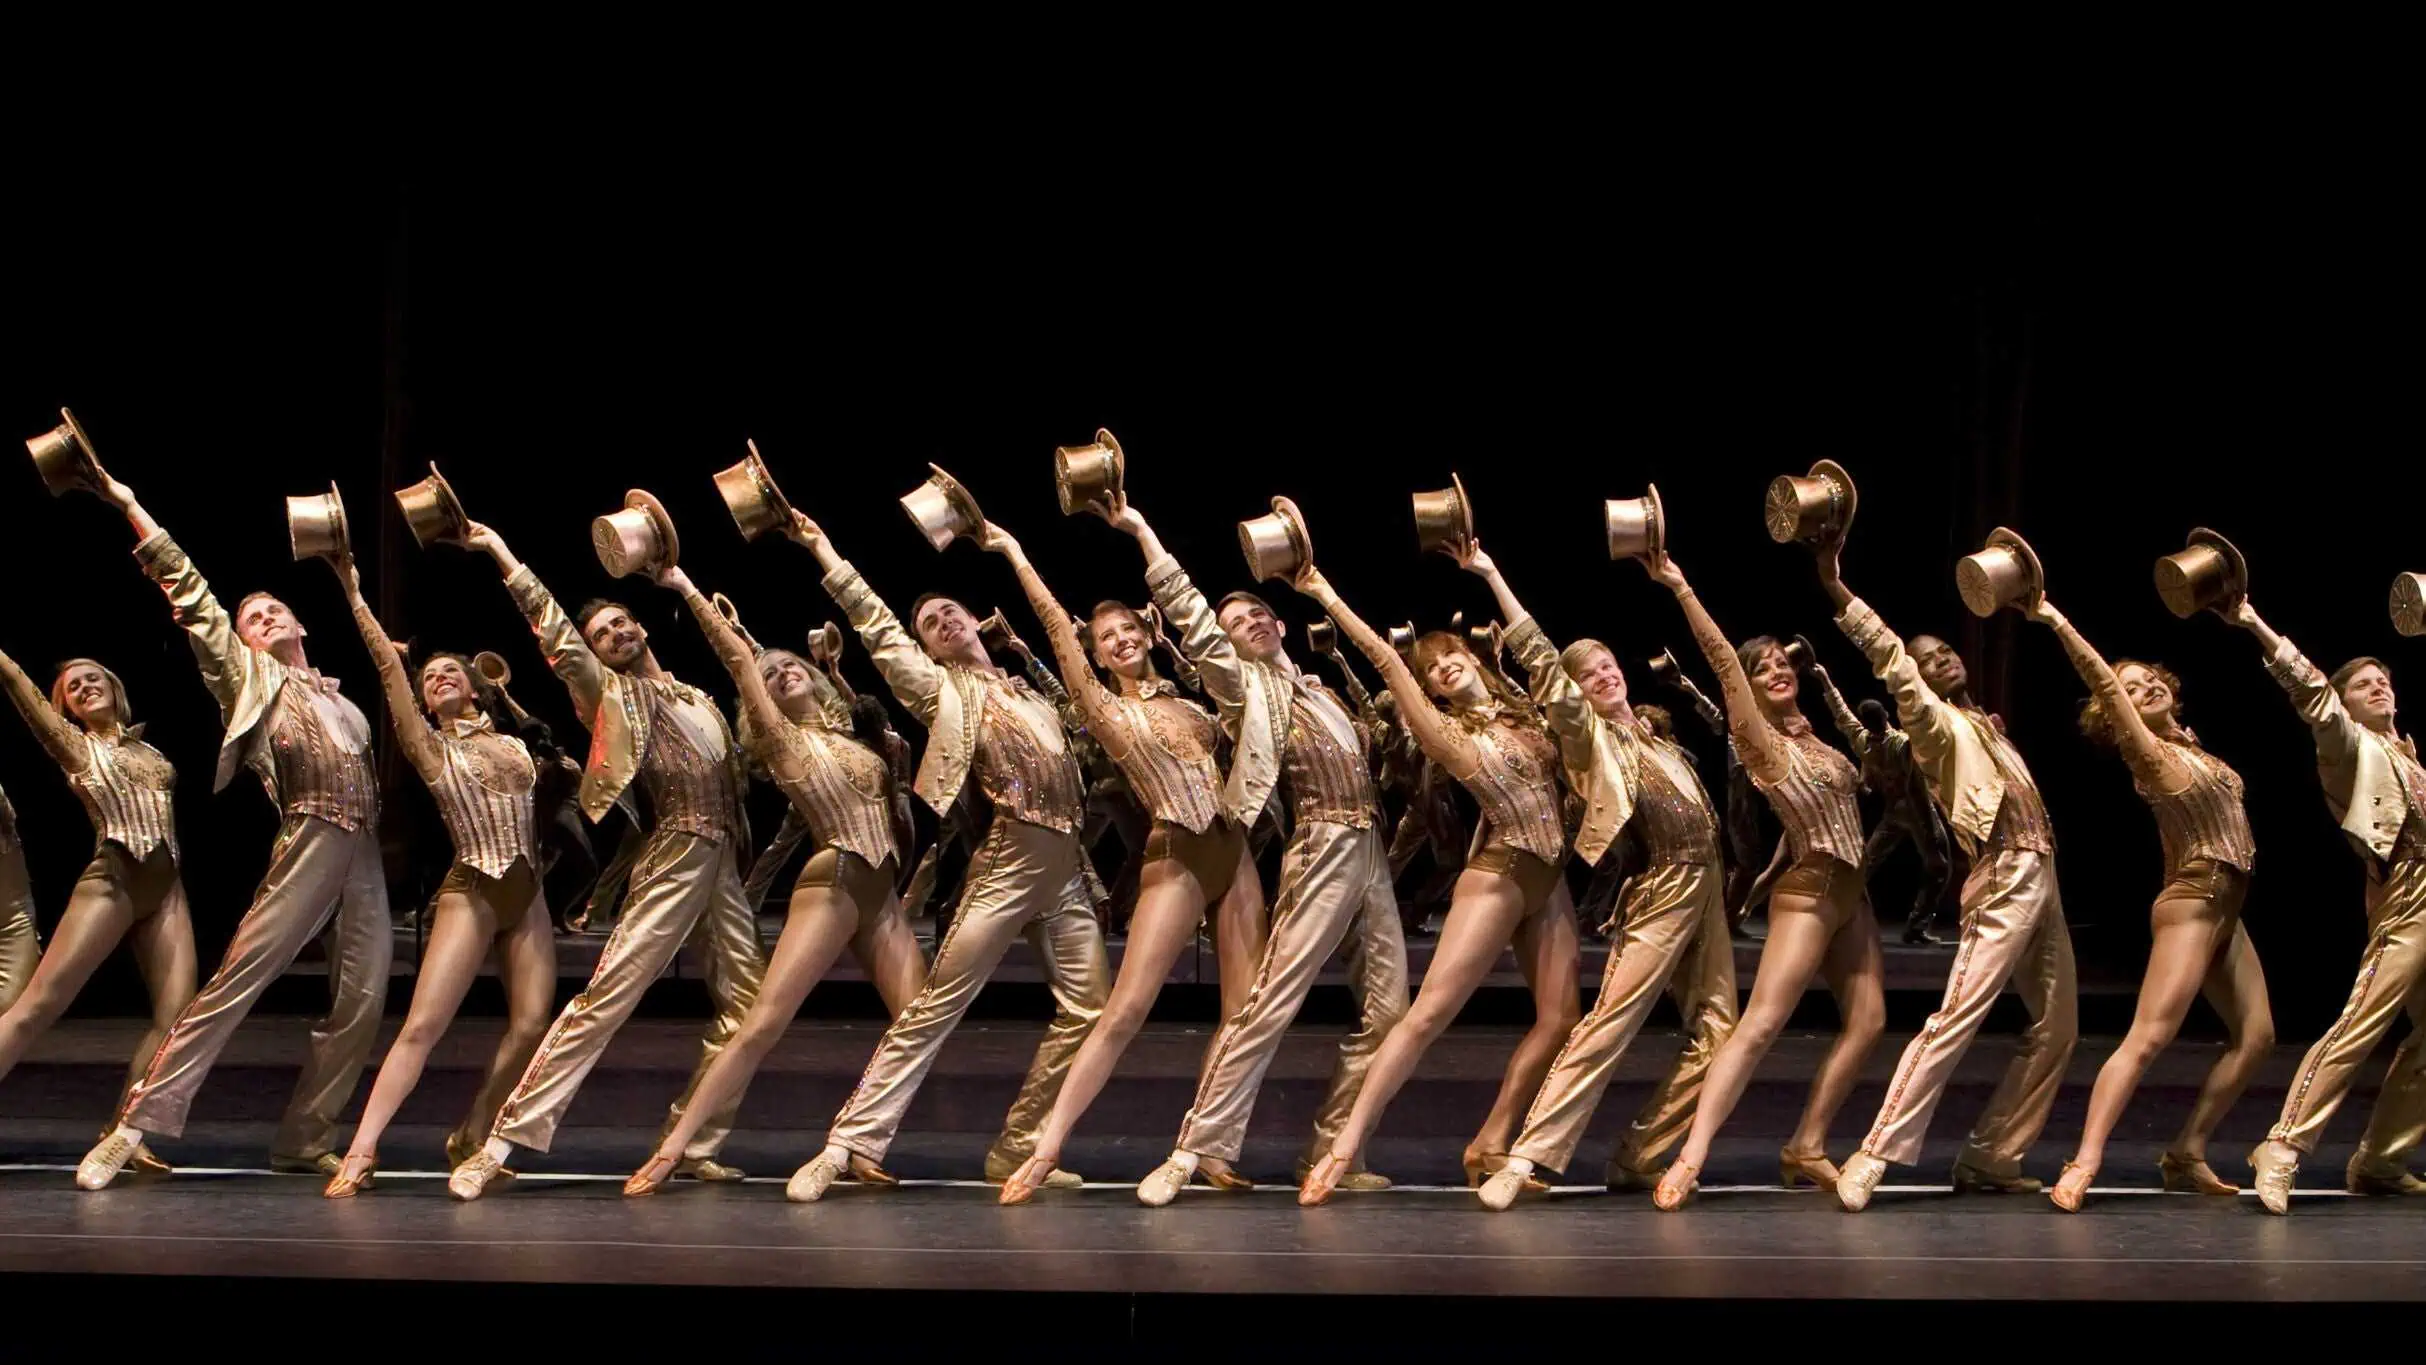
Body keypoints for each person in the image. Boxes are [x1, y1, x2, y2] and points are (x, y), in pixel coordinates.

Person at [77, 471, 392, 1190]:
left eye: (275, 609)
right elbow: (190, 593)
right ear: (241, 642)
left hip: (364, 852)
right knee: (236, 981)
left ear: (301, 625)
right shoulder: (248, 681)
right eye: (252, 617)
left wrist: (350, 584)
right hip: (309, 837)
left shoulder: (349, 706)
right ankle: (131, 1126)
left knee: (363, 999)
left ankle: (305, 1136)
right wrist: (131, 504)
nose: (264, 618)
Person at [782, 509, 1109, 1201]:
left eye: (949, 611)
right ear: (927, 650)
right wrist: (823, 549)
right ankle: (846, 1145)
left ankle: (1019, 1145)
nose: (943, 622)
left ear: (974, 620)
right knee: (936, 1005)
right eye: (930, 624)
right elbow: (878, 628)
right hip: (1012, 856)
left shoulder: (1027, 691)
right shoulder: (942, 691)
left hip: (1067, 869)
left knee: (1090, 1009)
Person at [446, 518, 765, 1199]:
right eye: (601, 635)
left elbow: (743, 680)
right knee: (607, 997)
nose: (615, 634)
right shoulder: (612, 697)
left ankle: (694, 1140)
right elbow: (557, 639)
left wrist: (681, 582)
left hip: (722, 864)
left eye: (620, 623)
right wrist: (503, 553)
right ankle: (498, 1143)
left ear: (641, 626)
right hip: (676, 851)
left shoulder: (698, 696)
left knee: (749, 1005)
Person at [984, 514, 1268, 1201]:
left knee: (1244, 1013)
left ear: (1146, 633)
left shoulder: (1193, 703)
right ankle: (1045, 1148)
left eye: (1128, 629)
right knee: (1125, 1009)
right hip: (1175, 853)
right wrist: (1015, 552)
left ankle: (1208, 1144)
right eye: (1106, 637)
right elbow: (1058, 629)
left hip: (1233, 853)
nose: (1120, 640)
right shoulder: (1105, 711)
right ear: (1099, 656)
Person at [623, 563, 928, 1195]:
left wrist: (835, 672)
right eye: (771, 675)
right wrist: (686, 587)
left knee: (918, 1021)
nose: (782, 672)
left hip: (882, 893)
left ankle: (855, 1142)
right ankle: (671, 1150)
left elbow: (882, 754)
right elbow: (741, 662)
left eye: (791, 665)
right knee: (764, 1022)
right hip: (834, 879)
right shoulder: (780, 738)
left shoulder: (855, 736)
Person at [1293, 537, 1580, 1206]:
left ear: (1473, 656)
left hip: (1550, 876)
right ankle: (1342, 1146)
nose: (1443, 668)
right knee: (1426, 1017)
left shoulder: (1524, 712)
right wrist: (1323, 592)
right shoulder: (1449, 735)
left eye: (1450, 657)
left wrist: (1489, 572)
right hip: (1500, 873)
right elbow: (1385, 658)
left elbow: (1538, 652)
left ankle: (1491, 1140)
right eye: (1432, 671)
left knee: (1562, 1018)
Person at [1459, 548, 1738, 1209]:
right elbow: (1543, 665)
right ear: (1577, 693)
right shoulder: (1593, 742)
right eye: (1588, 674)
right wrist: (1493, 575)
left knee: (1720, 1032)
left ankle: (1640, 1153)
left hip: (1708, 889)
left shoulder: (1659, 738)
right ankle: (1525, 1156)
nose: (1604, 675)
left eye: (1608, 665)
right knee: (1608, 1022)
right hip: (1663, 887)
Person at [1817, 536, 2076, 1212]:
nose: (1941, 660)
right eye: (1928, 659)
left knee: (2058, 1026)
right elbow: (1891, 660)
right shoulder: (1931, 723)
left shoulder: (1984, 724)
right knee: (1957, 1015)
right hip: (2005, 872)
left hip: (2043, 872)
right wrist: (1837, 587)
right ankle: (1874, 1150)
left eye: (1946, 652)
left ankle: (1992, 1153)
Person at [1644, 548, 1884, 1209]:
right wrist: (1680, 585)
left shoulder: (1815, 737)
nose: (1776, 670)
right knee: (1760, 1025)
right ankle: (1690, 1157)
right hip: (1811, 892)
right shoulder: (1759, 739)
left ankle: (1807, 1143)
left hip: (1852, 893)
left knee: (1869, 1021)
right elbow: (1723, 660)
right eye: (1762, 667)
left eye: (1782, 662)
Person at [318, 548, 559, 1196]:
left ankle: (474, 1133)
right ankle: (362, 1149)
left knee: (532, 1024)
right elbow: (388, 671)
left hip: (528, 892)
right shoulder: (429, 746)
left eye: (451, 672)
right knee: (423, 1026)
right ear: (423, 701)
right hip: (472, 888)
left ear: (476, 688)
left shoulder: (515, 743)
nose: (440, 679)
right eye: (430, 679)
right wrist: (354, 591)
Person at [2027, 595, 2272, 1212]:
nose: (2146, 688)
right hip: (2193, 903)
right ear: (2119, 714)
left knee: (2258, 1036)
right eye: (2131, 690)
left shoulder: (2193, 750)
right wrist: (2055, 618)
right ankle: (2084, 1161)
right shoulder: (2148, 753)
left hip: (2226, 908)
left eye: (2150, 680)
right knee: (2148, 1037)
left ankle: (2186, 1151)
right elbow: (2103, 683)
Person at [2233, 601, 2426, 1212]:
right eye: (2363, 684)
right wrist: (2254, 623)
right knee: (2360, 1023)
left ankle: (2380, 1160)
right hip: (2408, 900)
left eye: (2383, 680)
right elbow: (2314, 694)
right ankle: (2283, 1144)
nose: (2379, 687)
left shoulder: (2407, 754)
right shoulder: (2349, 748)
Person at [0, 648, 195, 1175]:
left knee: (176, 1018)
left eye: (93, 678)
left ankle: (124, 1132)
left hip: (167, 887)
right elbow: (19, 687)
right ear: (65, 707)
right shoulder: (75, 746)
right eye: (73, 687)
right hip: (112, 880)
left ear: (113, 686)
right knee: (37, 1007)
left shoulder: (149, 748)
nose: (86, 686)